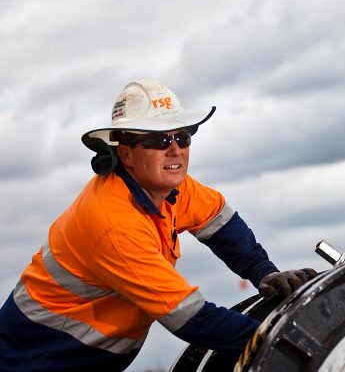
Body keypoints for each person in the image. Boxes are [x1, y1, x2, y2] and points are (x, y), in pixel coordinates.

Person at [0, 80, 317, 371]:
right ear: (126, 153)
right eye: (159, 140)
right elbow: (190, 318)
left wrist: (265, 272)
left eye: (182, 136)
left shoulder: (171, 187)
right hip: (37, 357)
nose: (175, 149)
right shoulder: (112, 223)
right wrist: (286, 340)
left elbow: (221, 224)